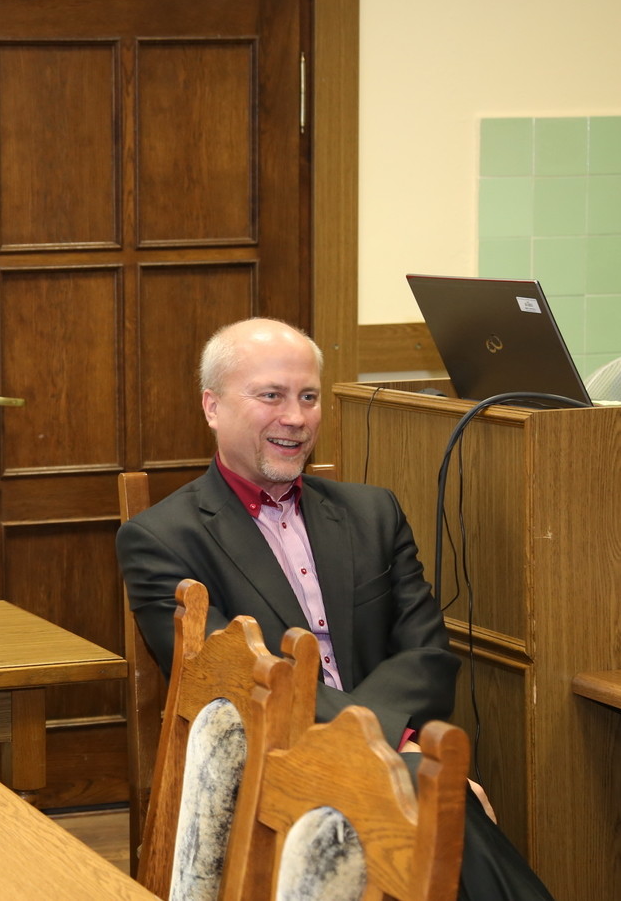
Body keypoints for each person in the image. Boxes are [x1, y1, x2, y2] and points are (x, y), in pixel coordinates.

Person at [117, 317, 553, 900]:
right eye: (271, 396)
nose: (295, 418)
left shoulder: (373, 513)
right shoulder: (161, 539)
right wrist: (382, 750)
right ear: (212, 406)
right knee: (435, 795)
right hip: (266, 767)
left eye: (308, 397)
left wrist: (382, 749)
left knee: (425, 793)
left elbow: (425, 653)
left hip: (398, 744)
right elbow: (235, 684)